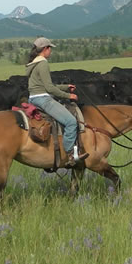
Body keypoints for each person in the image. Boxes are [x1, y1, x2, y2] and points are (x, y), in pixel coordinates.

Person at [25, 37, 88, 167]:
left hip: (34, 97)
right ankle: (70, 154)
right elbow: (49, 88)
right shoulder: (43, 63)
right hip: (43, 99)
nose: (51, 52)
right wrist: (68, 95)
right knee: (71, 122)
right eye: (50, 49)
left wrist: (65, 87)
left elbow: (46, 85)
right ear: (45, 49)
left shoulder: (33, 64)